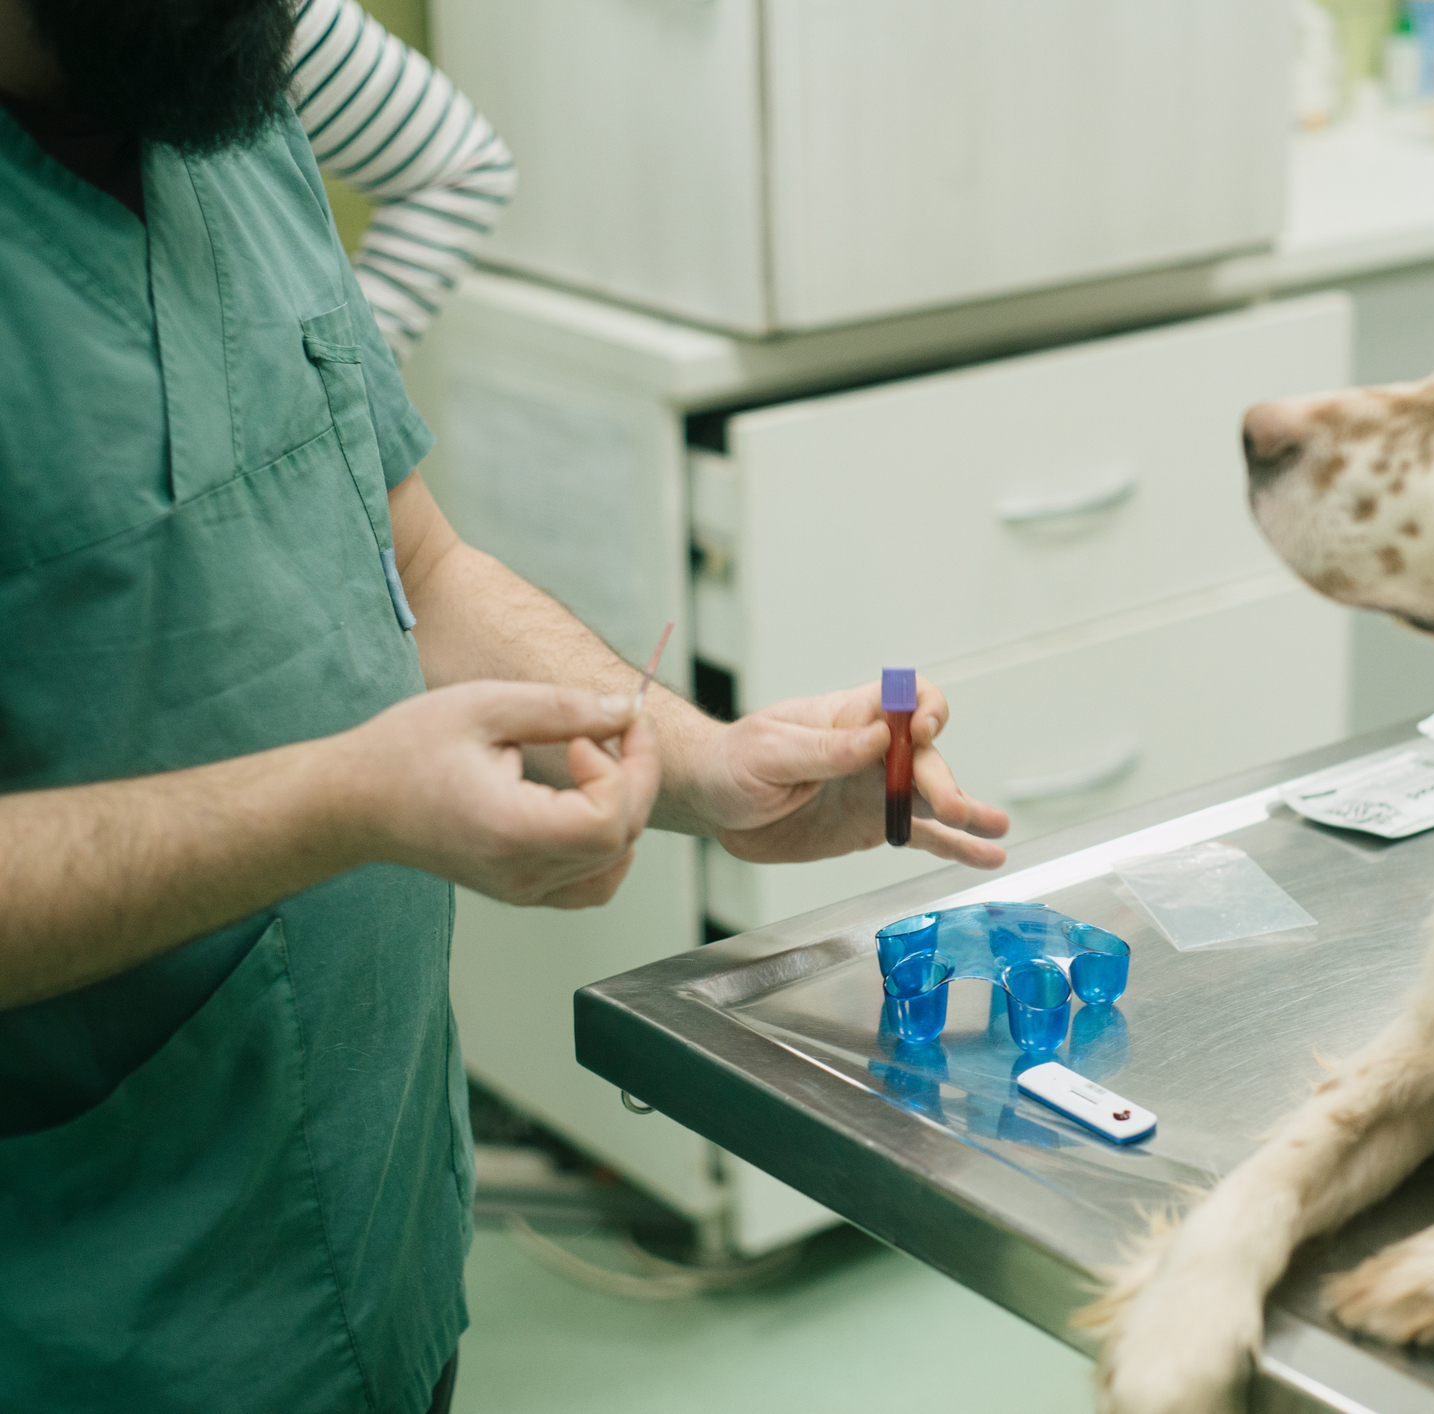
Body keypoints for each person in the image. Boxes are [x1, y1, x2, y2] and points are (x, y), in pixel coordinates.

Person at [0, 3, 1011, 1412]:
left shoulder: (215, 92)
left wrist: (703, 761)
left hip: (374, 1242)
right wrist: (341, 801)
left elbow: (413, 555)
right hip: (105, 1321)